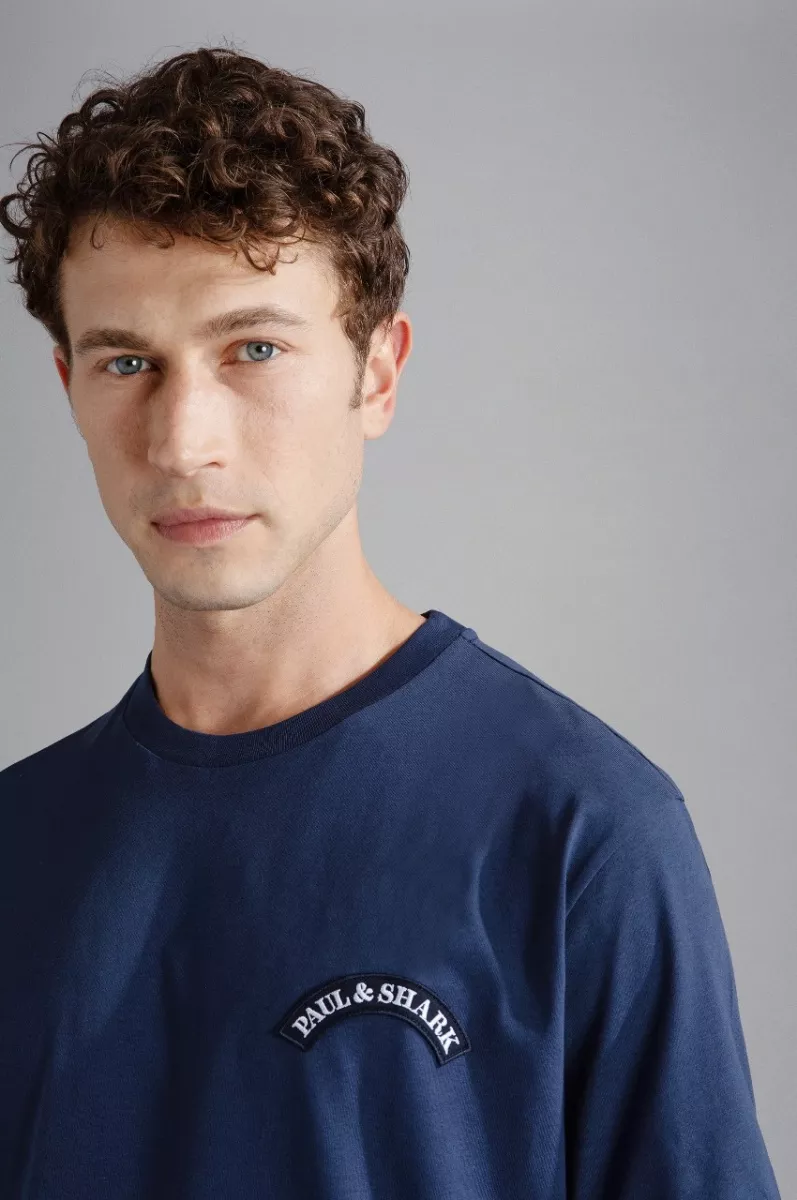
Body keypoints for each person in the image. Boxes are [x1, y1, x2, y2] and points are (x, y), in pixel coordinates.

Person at [0, 42, 781, 1200]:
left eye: (253, 349)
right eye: (127, 363)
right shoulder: (19, 843)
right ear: (68, 385)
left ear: (376, 374)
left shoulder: (583, 834)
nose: (182, 440)